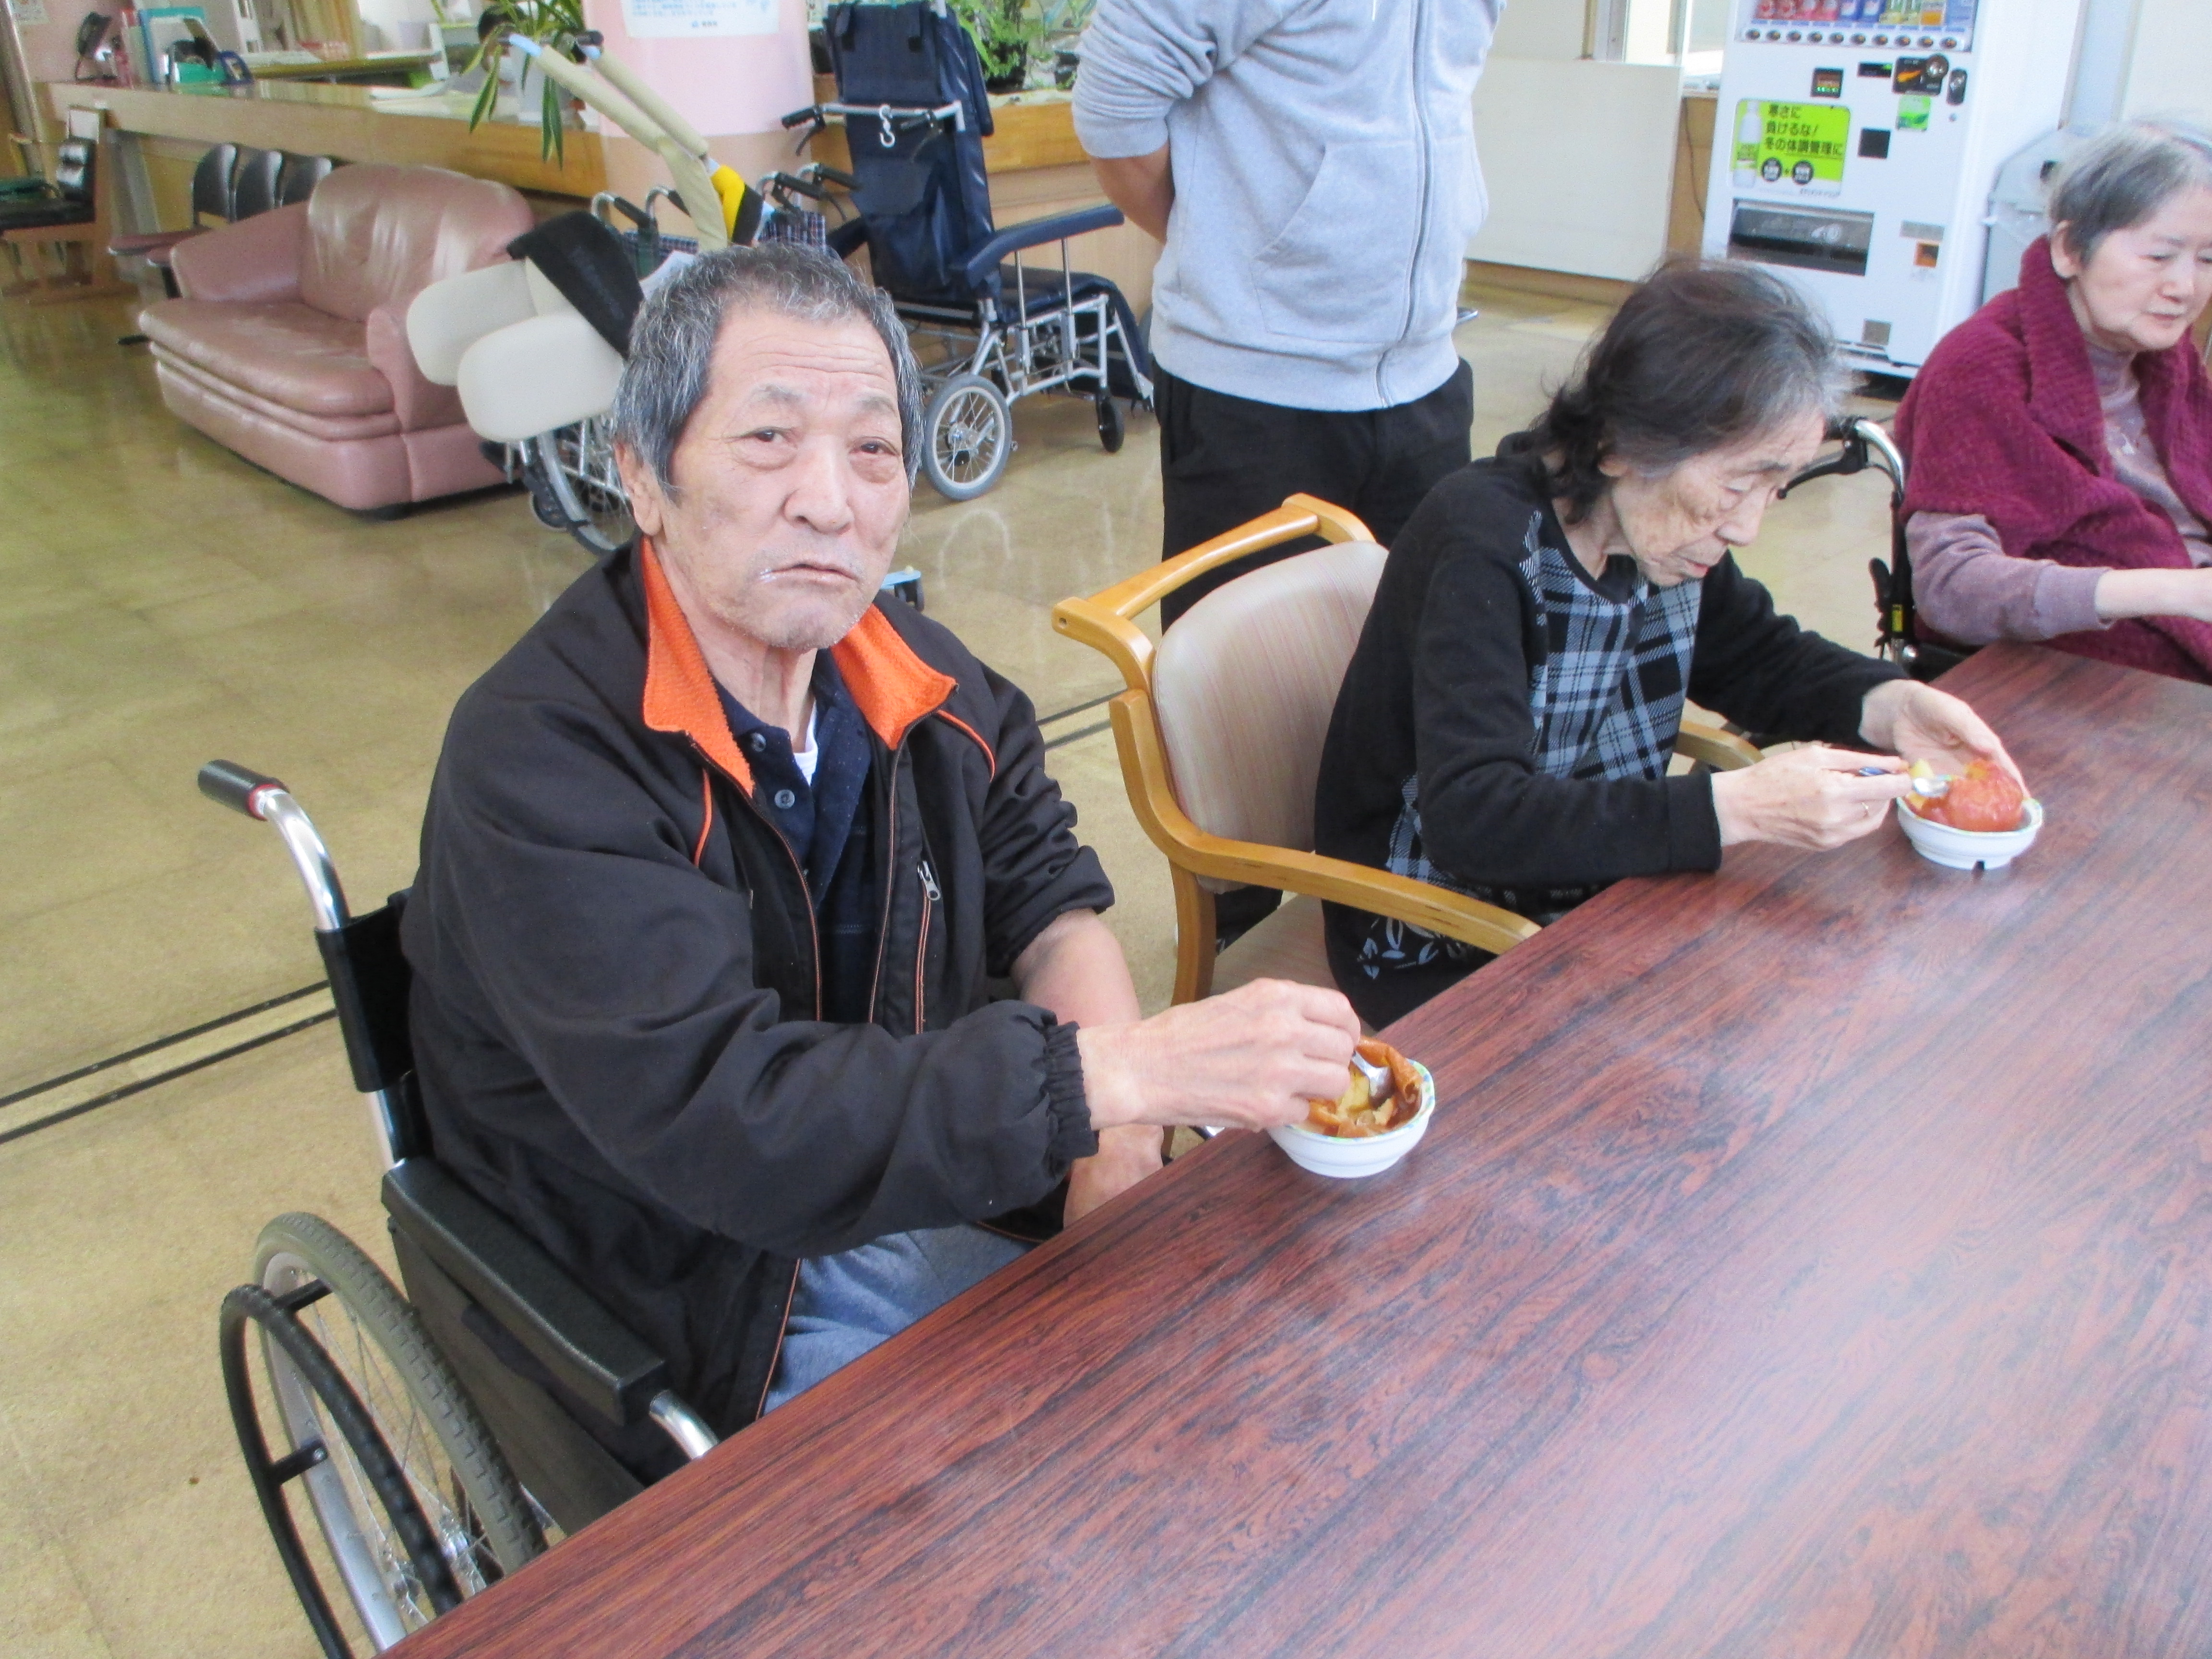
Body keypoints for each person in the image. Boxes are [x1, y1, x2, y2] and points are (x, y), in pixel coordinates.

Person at [401, 245, 1361, 1461]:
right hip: (685, 1266)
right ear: (642, 473)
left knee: (1232, 1355)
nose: (829, 499)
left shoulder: (924, 678)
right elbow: (726, 1119)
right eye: (768, 439)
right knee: (1061, 1473)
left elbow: (1051, 908)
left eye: (871, 447)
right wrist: (1111, 1078)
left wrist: (1116, 1148)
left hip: (906, 1167)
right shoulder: (542, 758)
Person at [1312, 262, 2024, 1029]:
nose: (1747, 526)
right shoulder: (1485, 541)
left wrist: (1891, 706)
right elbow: (1475, 817)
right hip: (1436, 931)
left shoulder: (1663, 533)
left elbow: (1758, 657)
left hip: (1594, 891)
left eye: (1776, 488)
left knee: (1837, 995)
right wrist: (1735, 808)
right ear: (1621, 445)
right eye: (1737, 485)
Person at [1074, 0, 1500, 943]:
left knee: (1424, 668)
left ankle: (1388, 908)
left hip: (1424, 369)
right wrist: (1226, 241)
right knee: (1238, 703)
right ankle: (1240, 938)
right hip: (1251, 382)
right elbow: (1113, 106)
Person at [1894, 120, 2212, 684]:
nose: (2185, 288)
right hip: (2092, 670)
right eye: (2160, 256)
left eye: (2209, 260)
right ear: (2069, 249)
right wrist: (2173, 591)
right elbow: (1951, 589)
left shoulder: (2166, 359)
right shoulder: (1983, 369)